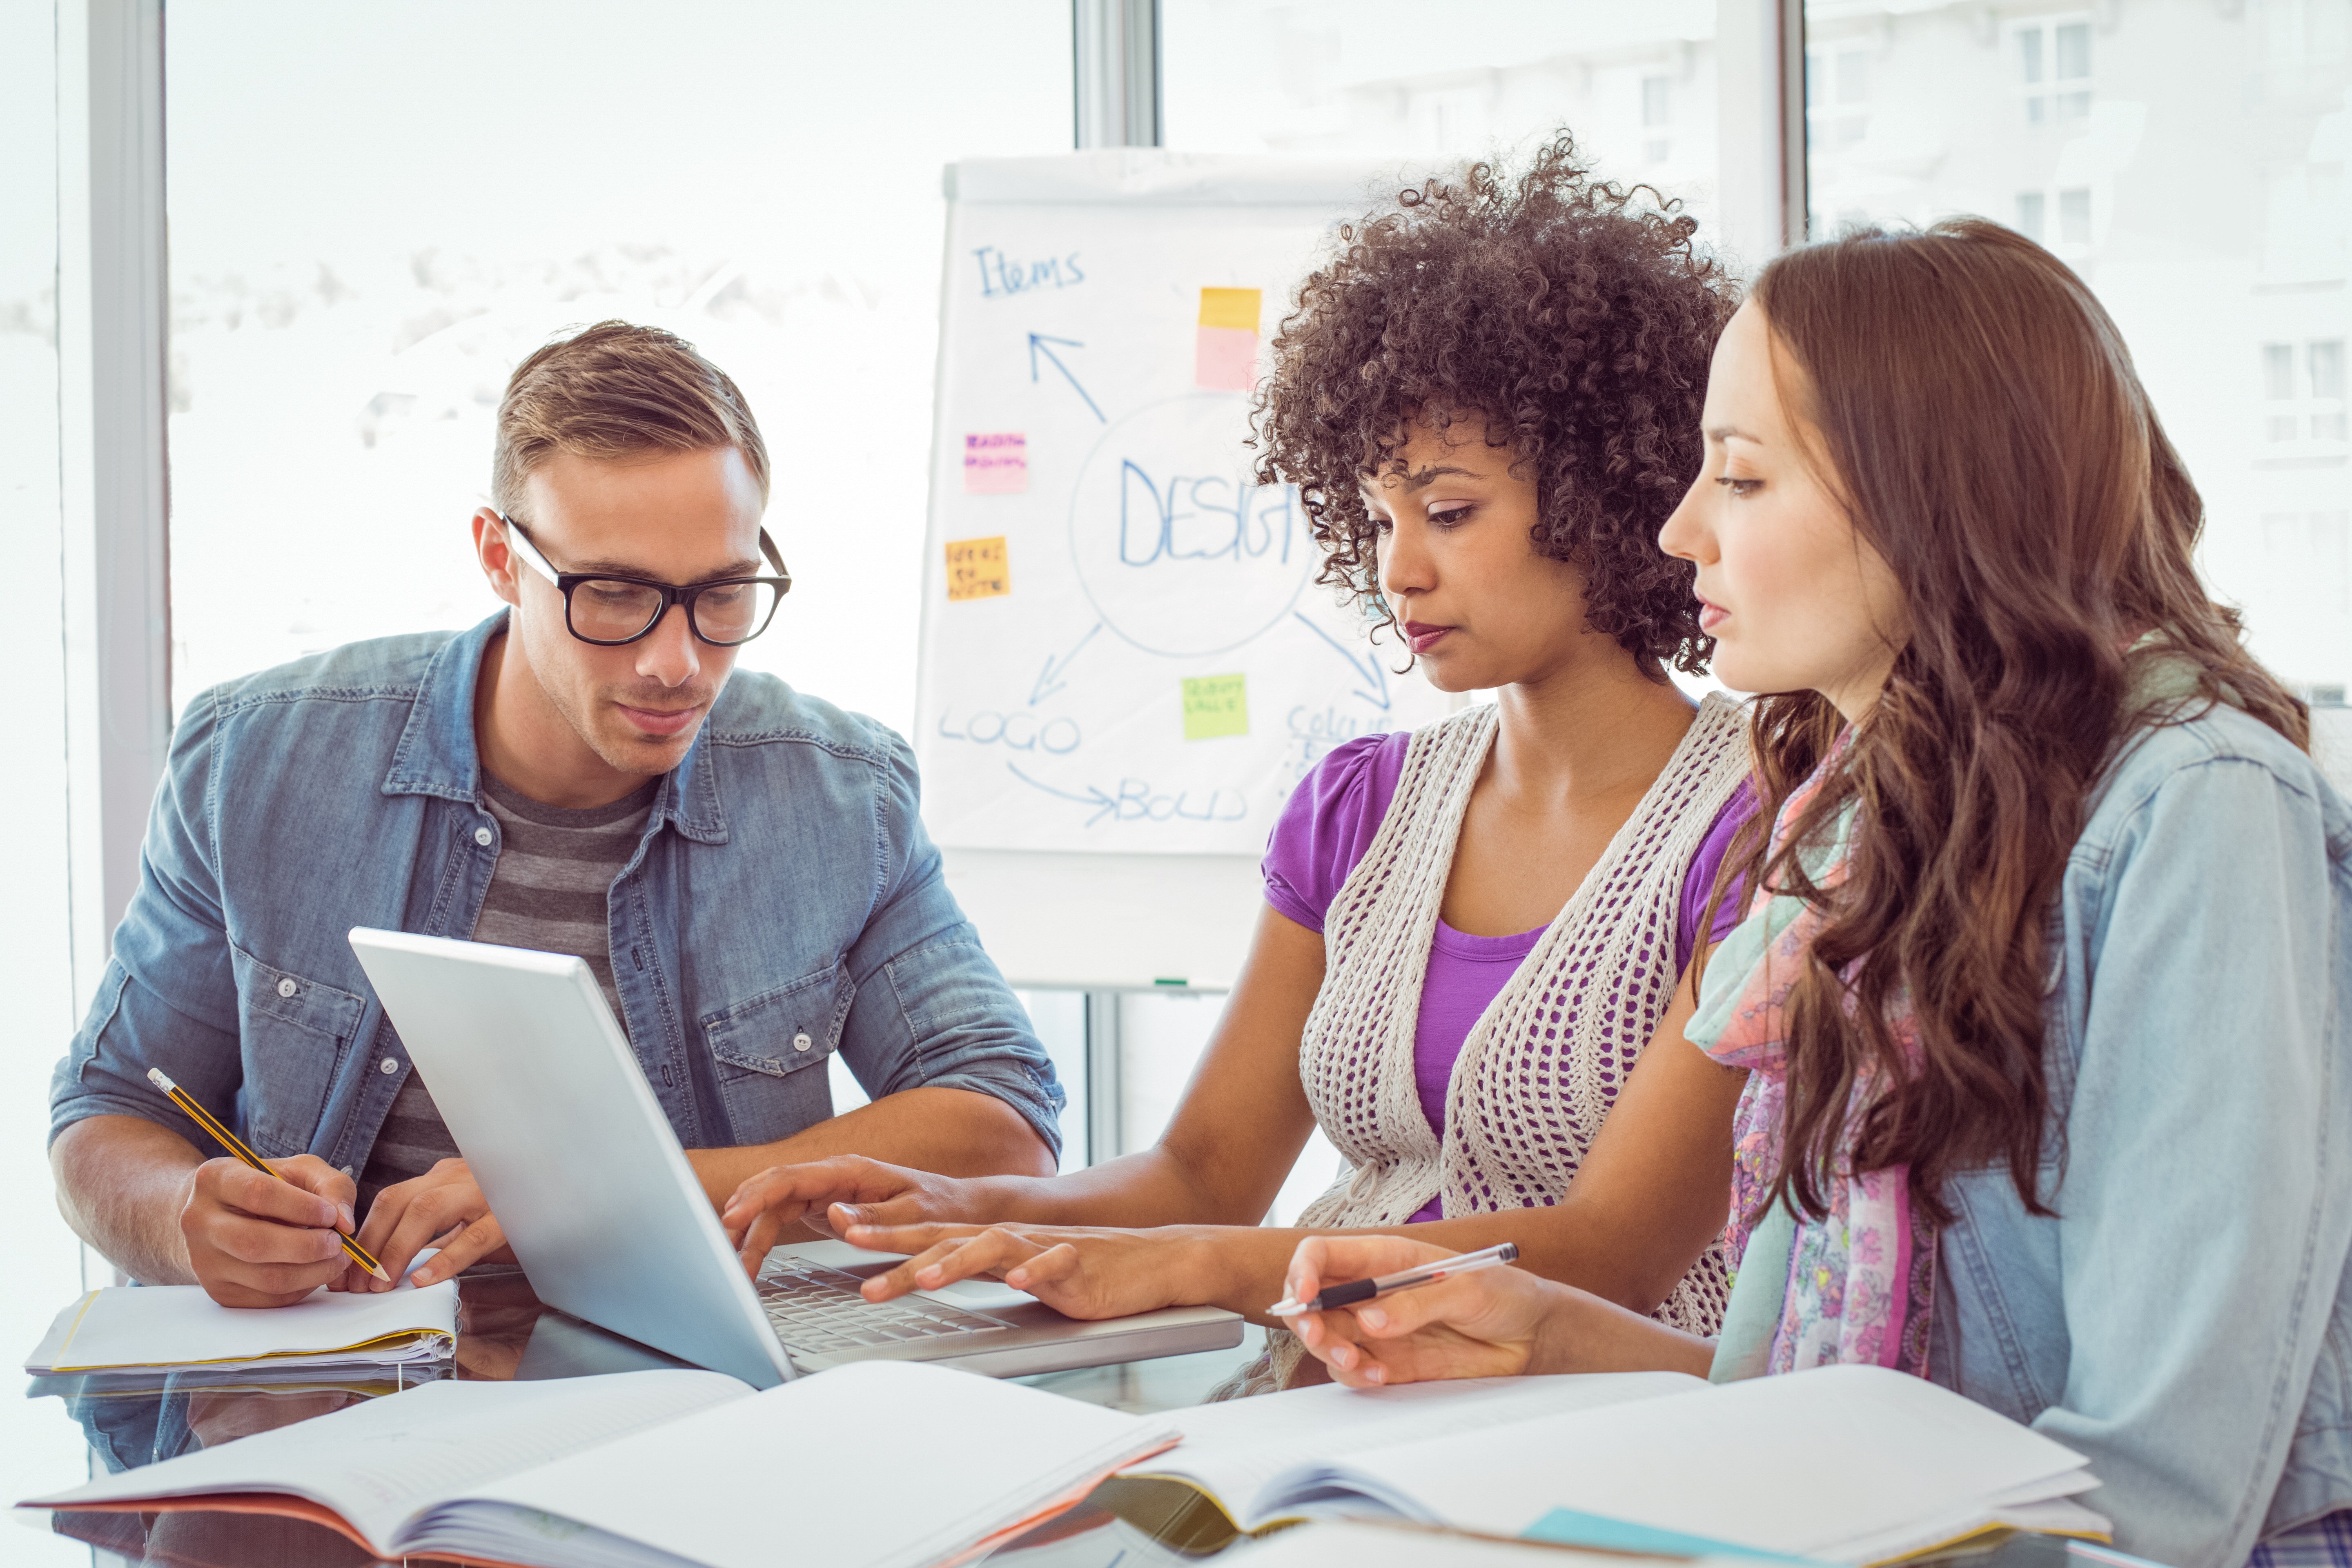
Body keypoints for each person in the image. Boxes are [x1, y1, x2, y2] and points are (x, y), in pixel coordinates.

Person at [1278, 219, 2352, 1568]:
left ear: (1931, 498)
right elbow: (1814, 1419)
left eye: (1739, 479)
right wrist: (1552, 1338)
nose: (1680, 534)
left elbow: (2159, 1500)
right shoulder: (1850, 834)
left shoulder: (2197, 808)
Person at [719, 136, 1759, 1394]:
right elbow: (1202, 1177)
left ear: (1604, 491)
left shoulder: (1759, 820)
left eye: (1448, 511)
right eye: (1377, 517)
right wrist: (947, 1200)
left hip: (1592, 1434)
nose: (1397, 571)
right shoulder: (1362, 807)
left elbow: (1614, 1256)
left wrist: (1201, 1269)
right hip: (1321, 1417)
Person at [49, 321, 1063, 1309]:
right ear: (500, 557)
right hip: (338, 1404)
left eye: (723, 593)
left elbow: (1004, 1124)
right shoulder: (256, 761)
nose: (677, 662)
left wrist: (591, 1195)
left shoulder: (842, 796)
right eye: (616, 595)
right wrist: (181, 1212)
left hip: (697, 1407)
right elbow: (112, 1115)